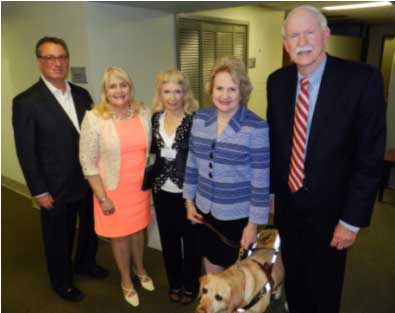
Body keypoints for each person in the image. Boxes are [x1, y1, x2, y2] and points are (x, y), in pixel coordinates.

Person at [266, 6, 386, 313]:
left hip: (333, 213)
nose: (302, 41)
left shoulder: (361, 80)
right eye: (294, 35)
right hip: (289, 207)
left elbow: (369, 157)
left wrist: (351, 220)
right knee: (296, 281)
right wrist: (270, 194)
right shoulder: (277, 82)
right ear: (285, 43)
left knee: (325, 290)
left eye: (309, 32)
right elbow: (277, 145)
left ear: (326, 35)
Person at [12, 37, 108, 302]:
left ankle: (86, 263)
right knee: (58, 237)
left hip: (88, 180)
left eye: (62, 57)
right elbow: (26, 151)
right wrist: (38, 190)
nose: (58, 63)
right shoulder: (26, 102)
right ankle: (61, 282)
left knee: (89, 228)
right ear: (39, 61)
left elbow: (95, 136)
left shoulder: (82, 94)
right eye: (50, 57)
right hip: (54, 185)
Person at [183, 56, 270, 273]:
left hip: (237, 216)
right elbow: (192, 163)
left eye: (232, 89)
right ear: (211, 90)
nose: (225, 95)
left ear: (242, 91)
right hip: (204, 210)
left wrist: (253, 225)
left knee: (237, 275)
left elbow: (260, 180)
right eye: (219, 88)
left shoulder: (256, 127)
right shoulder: (201, 119)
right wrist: (189, 202)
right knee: (211, 263)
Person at [79, 66, 154, 307]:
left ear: (130, 88)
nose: (119, 90)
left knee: (138, 231)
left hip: (139, 188)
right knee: (120, 237)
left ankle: (140, 269)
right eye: (113, 86)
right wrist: (102, 197)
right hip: (112, 190)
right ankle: (126, 280)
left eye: (123, 85)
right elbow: (87, 162)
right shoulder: (94, 118)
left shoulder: (143, 112)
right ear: (105, 91)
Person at [150, 69, 201, 304]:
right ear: (160, 93)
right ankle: (175, 282)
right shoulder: (154, 119)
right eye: (167, 91)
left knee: (191, 242)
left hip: (189, 193)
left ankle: (191, 283)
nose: (172, 97)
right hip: (162, 191)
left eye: (177, 91)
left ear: (185, 94)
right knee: (168, 240)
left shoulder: (195, 120)